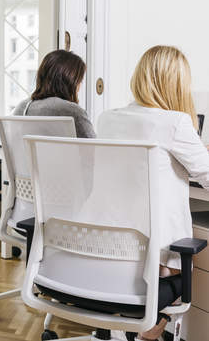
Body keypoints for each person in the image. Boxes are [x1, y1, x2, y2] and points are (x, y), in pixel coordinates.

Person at [97, 45, 209, 340]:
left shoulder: (107, 118)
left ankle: (142, 331)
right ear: (176, 84)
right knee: (184, 261)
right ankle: (148, 332)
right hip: (150, 271)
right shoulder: (175, 122)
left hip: (103, 258)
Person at [13, 49, 96, 138]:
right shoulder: (72, 112)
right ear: (71, 82)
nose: (79, 87)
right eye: (80, 81)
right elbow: (94, 149)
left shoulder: (21, 108)